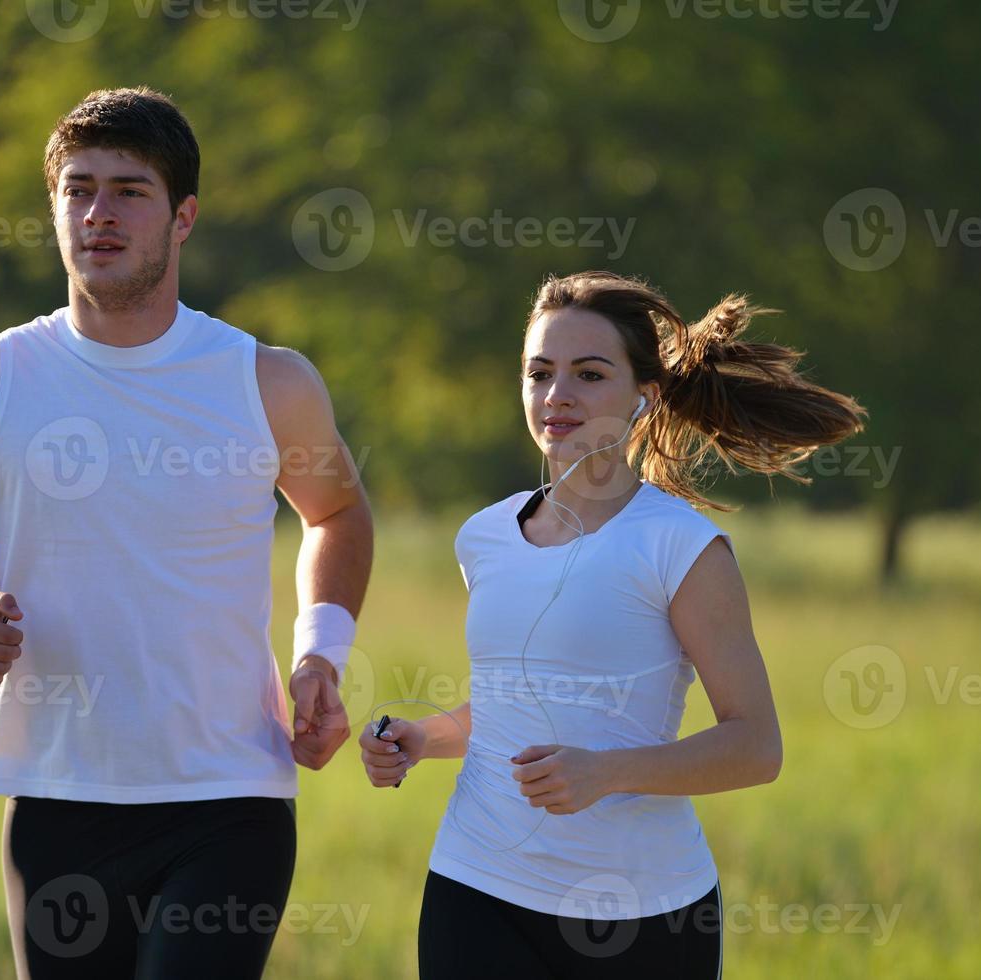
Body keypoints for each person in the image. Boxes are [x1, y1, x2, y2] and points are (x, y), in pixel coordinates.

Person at [0, 86, 373, 979]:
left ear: (182, 217)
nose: (98, 214)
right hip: (55, 793)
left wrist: (318, 655)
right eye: (78, 189)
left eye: (128, 191)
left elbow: (336, 513)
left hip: (228, 794)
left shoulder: (266, 380)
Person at [358, 270, 865, 978]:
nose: (556, 395)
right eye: (539, 373)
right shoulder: (484, 536)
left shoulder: (680, 546)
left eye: (588, 374)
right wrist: (422, 737)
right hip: (474, 887)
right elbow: (516, 704)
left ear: (642, 396)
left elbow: (756, 746)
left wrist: (606, 773)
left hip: (643, 912)